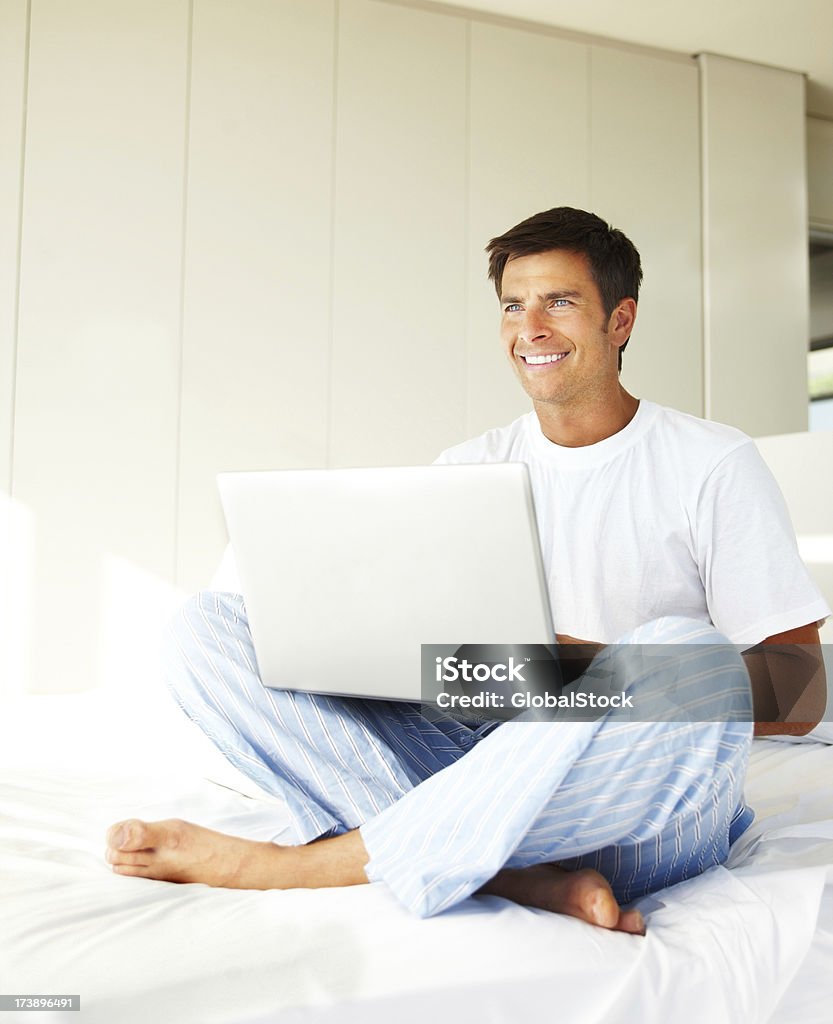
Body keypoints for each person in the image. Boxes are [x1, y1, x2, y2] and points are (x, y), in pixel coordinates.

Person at [105, 207, 829, 934]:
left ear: (620, 321)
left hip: (634, 806)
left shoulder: (711, 463)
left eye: (560, 303)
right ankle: (517, 874)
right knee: (201, 628)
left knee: (688, 652)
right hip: (483, 749)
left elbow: (798, 693)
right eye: (513, 306)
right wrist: (389, 660)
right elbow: (447, 671)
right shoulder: (466, 469)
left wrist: (574, 673)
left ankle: (303, 865)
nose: (530, 328)